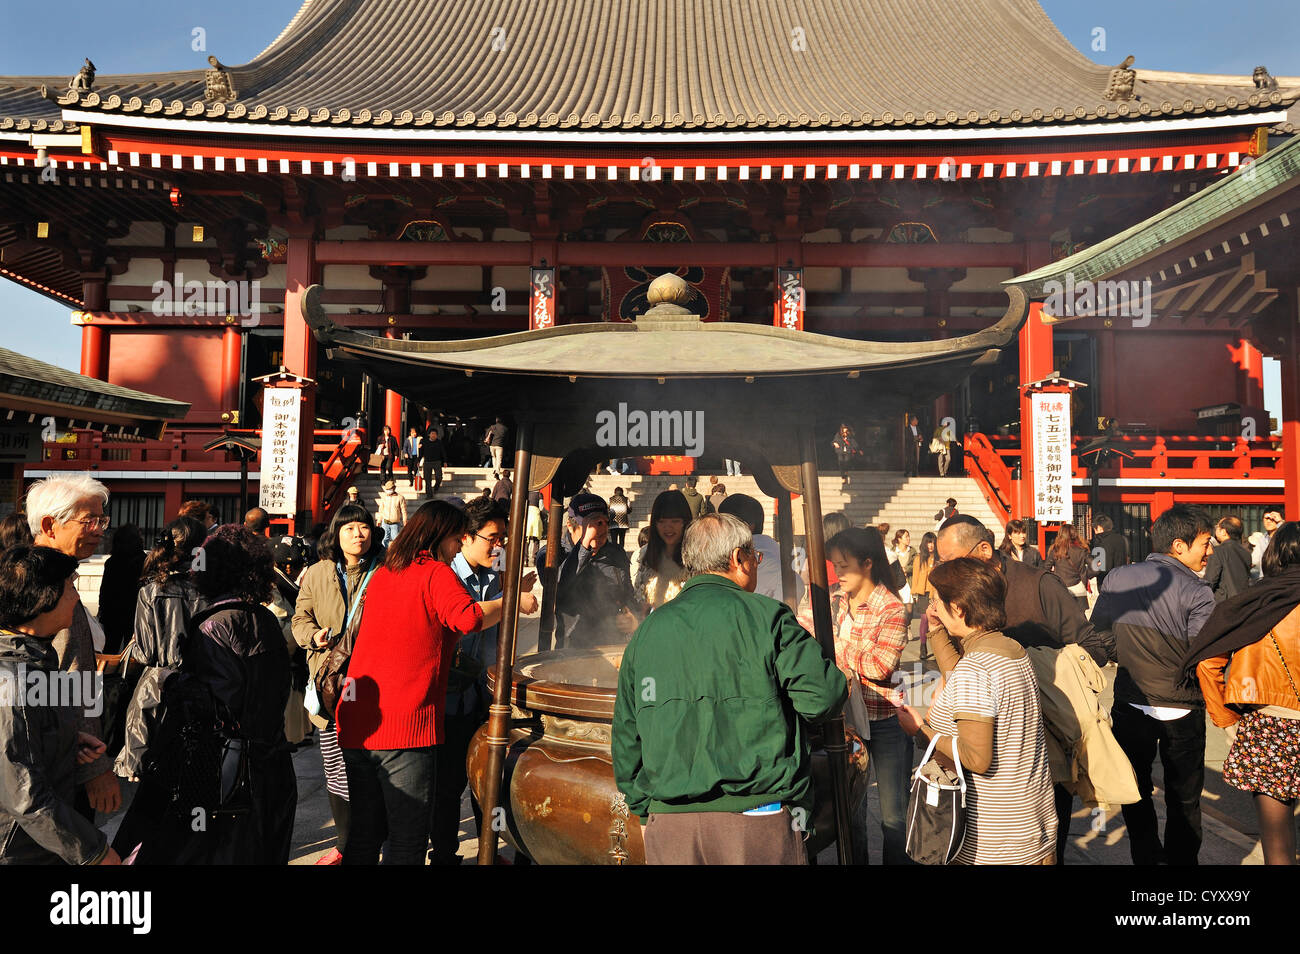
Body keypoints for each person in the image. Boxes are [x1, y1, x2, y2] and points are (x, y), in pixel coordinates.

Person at [613, 513, 846, 864]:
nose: (756, 563)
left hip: (670, 824)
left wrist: (644, 811)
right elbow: (823, 697)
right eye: (755, 556)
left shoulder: (648, 630)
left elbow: (626, 736)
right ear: (739, 559)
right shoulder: (768, 617)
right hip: (759, 818)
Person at [335, 501, 511, 865]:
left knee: (365, 835)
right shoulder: (433, 572)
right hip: (404, 725)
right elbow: (468, 619)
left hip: (357, 722)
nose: (457, 547)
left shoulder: (384, 571)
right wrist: (509, 601)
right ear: (439, 537)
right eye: (455, 538)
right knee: (407, 838)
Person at [936, 514, 1110, 862]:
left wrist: (1032, 665)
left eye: (955, 561)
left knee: (1042, 842)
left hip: (1044, 745)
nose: (948, 571)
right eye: (943, 563)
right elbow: (958, 672)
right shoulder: (957, 601)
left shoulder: (1039, 584)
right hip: (984, 751)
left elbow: (1095, 648)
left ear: (984, 549)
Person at [120, 525, 296, 864]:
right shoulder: (266, 620)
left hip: (223, 776)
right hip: (272, 766)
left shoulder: (212, 625)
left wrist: (173, 685)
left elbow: (214, 709)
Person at [896, 557, 1058, 865]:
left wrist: (921, 730)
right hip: (1030, 825)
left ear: (958, 607)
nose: (931, 607)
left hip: (995, 842)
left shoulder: (977, 668)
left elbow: (975, 758)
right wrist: (936, 629)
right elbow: (960, 678)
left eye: (936, 601)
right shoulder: (1010, 650)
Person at [1090, 504, 1215, 866]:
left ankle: (1146, 856)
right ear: (1179, 545)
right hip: (1184, 705)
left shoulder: (1117, 578)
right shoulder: (1198, 591)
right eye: (1205, 543)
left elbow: (1099, 634)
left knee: (1134, 788)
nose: (1209, 551)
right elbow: (1204, 654)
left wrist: (1124, 654)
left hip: (1130, 701)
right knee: (1185, 799)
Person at [1187, 521, 1300, 865]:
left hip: (1271, 726)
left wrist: (1228, 719)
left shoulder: (1256, 604)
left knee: (1278, 847)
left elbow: (1207, 663)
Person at [433, 498, 539, 863]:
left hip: (484, 697)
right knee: (447, 787)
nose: (498, 547)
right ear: (465, 537)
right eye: (492, 538)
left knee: (488, 784)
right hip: (448, 701)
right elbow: (467, 622)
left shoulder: (494, 578)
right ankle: (445, 855)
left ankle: (488, 853)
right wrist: (509, 600)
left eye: (503, 539)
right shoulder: (444, 575)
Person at [0, 545, 119, 865]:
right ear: (42, 599)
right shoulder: (11, 680)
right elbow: (25, 796)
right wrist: (94, 853)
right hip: (17, 847)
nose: (77, 598)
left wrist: (66, 738)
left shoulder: (36, 660)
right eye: (70, 588)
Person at [799, 527, 910, 864]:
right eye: (834, 565)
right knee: (851, 816)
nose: (837, 573)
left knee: (894, 818)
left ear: (868, 564)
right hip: (845, 721)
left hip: (885, 719)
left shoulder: (891, 609)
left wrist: (832, 645)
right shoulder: (831, 601)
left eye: (843, 565)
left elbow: (880, 665)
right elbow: (802, 633)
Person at [291, 503, 384, 865]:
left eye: (363, 528)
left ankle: (371, 838)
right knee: (335, 762)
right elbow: (300, 618)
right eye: (349, 528)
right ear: (336, 534)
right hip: (331, 683)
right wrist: (314, 637)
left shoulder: (385, 571)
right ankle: (346, 843)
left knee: (372, 761)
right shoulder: (316, 573)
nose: (357, 534)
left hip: (373, 682)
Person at [25, 474, 119, 821]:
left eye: (102, 519)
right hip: (54, 762)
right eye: (89, 520)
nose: (99, 529)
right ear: (50, 524)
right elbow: (73, 679)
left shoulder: (47, 577)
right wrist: (93, 769)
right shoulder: (46, 588)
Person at [113, 517, 209, 788]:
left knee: (154, 779)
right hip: (200, 685)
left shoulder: (150, 590)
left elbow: (144, 654)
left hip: (157, 690)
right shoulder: (209, 592)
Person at [554, 494, 642, 647]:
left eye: (602, 523)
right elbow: (560, 587)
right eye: (589, 525)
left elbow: (627, 595)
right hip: (572, 649)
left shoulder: (616, 553)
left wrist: (633, 616)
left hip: (612, 643)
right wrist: (584, 545)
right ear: (570, 525)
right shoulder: (554, 554)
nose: (598, 530)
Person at [719, 493, 804, 606]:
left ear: (749, 526)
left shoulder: (758, 553)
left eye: (725, 524)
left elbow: (795, 583)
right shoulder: (768, 546)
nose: (719, 529)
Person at [630, 490, 693, 611]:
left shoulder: (698, 557)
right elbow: (638, 600)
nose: (668, 527)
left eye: (675, 521)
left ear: (685, 522)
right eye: (661, 521)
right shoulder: (642, 555)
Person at [97, 523, 143, 654]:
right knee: (133, 648)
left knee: (110, 646)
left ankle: (106, 672)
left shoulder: (112, 562)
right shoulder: (143, 561)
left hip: (113, 611)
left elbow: (105, 589)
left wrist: (102, 609)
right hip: (135, 611)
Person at [1204, 515, 1251, 603]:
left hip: (1223, 603)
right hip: (1243, 601)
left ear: (1223, 532)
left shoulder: (1218, 551)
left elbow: (1210, 580)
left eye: (1217, 527)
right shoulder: (1246, 553)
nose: (1216, 529)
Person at [1044, 523, 1092, 610]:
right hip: (1078, 587)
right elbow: (1095, 567)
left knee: (1062, 618)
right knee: (1080, 619)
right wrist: (1086, 574)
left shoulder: (1056, 550)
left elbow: (1045, 568)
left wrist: (1053, 578)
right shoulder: (1082, 550)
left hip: (1060, 588)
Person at [911, 531, 937, 656]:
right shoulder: (919, 558)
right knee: (924, 619)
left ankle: (937, 647)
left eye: (932, 542)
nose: (930, 545)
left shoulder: (938, 558)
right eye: (928, 542)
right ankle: (923, 645)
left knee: (935, 620)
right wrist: (914, 594)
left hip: (935, 593)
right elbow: (915, 577)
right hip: (922, 594)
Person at [1090, 514, 1128, 584]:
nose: (1094, 532)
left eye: (1095, 529)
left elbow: (1101, 567)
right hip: (1121, 578)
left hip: (1106, 581)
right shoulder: (1121, 538)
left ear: (1099, 528)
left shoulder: (1100, 541)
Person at [1252, 510, 1283, 580]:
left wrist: (1281, 522)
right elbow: (1254, 560)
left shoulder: (1284, 536)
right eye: (1266, 518)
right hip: (1265, 579)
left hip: (1281, 578)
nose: (1268, 521)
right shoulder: (1262, 539)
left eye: (1272, 519)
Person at [376, 479, 407, 545]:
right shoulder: (384, 497)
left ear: (394, 488)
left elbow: (403, 510)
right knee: (384, 539)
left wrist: (405, 520)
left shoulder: (400, 498)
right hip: (385, 521)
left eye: (390, 489)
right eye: (387, 489)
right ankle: (384, 553)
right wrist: (379, 520)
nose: (388, 490)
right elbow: (381, 510)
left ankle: (396, 552)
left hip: (395, 523)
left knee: (395, 538)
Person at [422, 423, 446, 498]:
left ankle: (436, 487)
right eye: (432, 434)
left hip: (437, 462)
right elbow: (421, 452)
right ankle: (429, 495)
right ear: (429, 434)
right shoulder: (424, 442)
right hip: (427, 462)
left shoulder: (439, 442)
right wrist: (418, 460)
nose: (433, 435)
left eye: (435, 434)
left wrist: (445, 461)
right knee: (427, 480)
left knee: (439, 477)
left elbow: (443, 452)